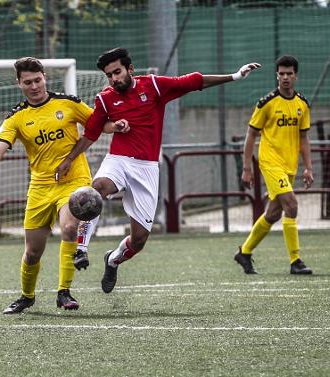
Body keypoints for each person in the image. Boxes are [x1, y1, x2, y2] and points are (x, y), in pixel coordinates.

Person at [55, 47, 260, 293]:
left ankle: (112, 260)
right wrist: (69, 159)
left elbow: (192, 82)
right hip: (118, 160)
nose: (114, 79)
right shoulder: (104, 99)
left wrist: (235, 76)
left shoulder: (153, 85)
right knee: (96, 191)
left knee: (139, 240)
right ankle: (81, 248)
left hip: (147, 168)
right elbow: (91, 133)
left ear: (130, 69)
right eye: (109, 75)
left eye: (117, 72)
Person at [0, 57, 125, 314]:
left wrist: (116, 126)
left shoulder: (68, 103)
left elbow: (98, 125)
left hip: (73, 182)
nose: (34, 86)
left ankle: (64, 292)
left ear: (45, 77)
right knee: (32, 253)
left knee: (68, 227)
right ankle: (26, 296)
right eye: (28, 82)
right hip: (40, 188)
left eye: (38, 80)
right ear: (19, 84)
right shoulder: (16, 118)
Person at [234, 55, 313, 275]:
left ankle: (245, 252)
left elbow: (304, 138)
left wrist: (308, 167)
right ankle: (295, 260)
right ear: (277, 75)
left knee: (273, 214)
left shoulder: (303, 104)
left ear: (296, 75)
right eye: (281, 74)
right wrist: (247, 168)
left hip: (290, 165)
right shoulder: (266, 103)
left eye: (289, 73)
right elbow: (250, 135)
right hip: (270, 162)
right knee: (292, 205)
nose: (285, 77)